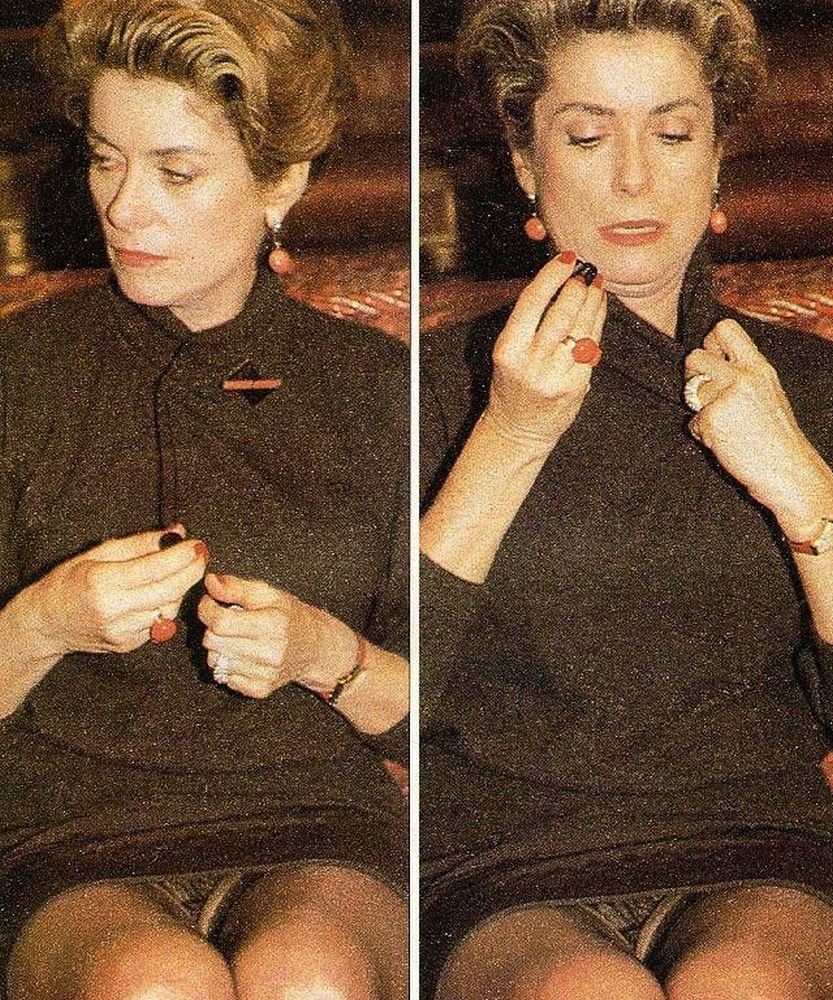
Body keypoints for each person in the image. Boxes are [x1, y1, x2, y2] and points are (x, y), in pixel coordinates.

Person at [420, 1, 833, 997]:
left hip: (759, 844)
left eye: (672, 133)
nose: (634, 177)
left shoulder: (808, 384)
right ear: (526, 168)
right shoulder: (429, 387)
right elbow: (375, 690)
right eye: (587, 136)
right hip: (499, 857)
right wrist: (507, 437)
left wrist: (802, 490)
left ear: (717, 159)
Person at [0, 1, 408, 997]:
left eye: (175, 171)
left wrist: (322, 653)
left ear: (282, 180)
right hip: (70, 836)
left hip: (319, 827)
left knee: (308, 977)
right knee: (153, 985)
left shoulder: (379, 390)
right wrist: (40, 622)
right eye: (105, 160)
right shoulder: (21, 373)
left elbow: (456, 723)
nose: (124, 207)